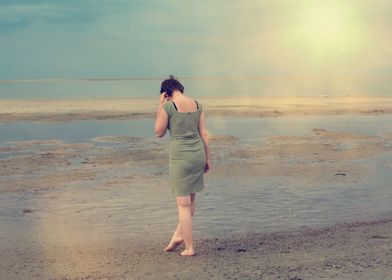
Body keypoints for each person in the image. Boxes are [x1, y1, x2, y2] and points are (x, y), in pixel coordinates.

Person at [154, 75, 210, 257]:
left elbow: (158, 132)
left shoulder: (168, 106)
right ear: (179, 88)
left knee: (183, 204)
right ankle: (179, 235)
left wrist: (160, 106)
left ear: (166, 93)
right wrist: (208, 159)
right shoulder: (197, 104)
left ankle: (189, 247)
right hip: (197, 154)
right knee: (191, 200)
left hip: (180, 158)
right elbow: (205, 135)